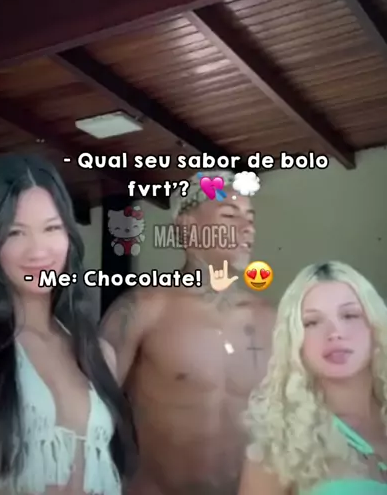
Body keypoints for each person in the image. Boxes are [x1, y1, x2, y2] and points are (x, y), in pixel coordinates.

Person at [0, 153, 137, 495]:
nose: (38, 251)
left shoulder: (99, 354)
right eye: (15, 232)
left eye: (51, 228)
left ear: (69, 234)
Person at [100, 171, 277, 495]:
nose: (247, 227)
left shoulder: (271, 318)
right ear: (188, 226)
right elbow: (87, 413)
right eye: (229, 216)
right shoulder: (141, 310)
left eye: (250, 218)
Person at [239, 261, 387, 495]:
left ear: (376, 327)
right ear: (295, 341)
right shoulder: (279, 443)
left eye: (350, 315)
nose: (335, 333)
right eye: (312, 322)